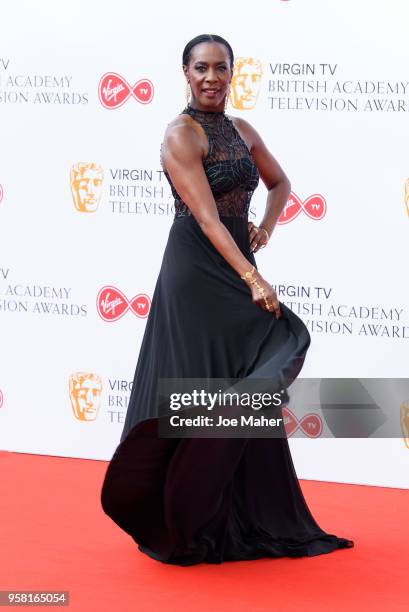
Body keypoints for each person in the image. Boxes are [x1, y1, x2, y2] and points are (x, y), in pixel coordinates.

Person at [100, 33, 354, 565]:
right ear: (185, 73)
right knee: (202, 385)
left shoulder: (242, 130)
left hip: (239, 265)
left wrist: (264, 227)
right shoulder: (180, 136)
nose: (212, 77)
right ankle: (183, 515)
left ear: (233, 73)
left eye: (221, 68)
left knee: (245, 389)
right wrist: (253, 279)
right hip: (196, 275)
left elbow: (280, 183)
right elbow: (207, 216)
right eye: (201, 68)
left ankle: (246, 509)